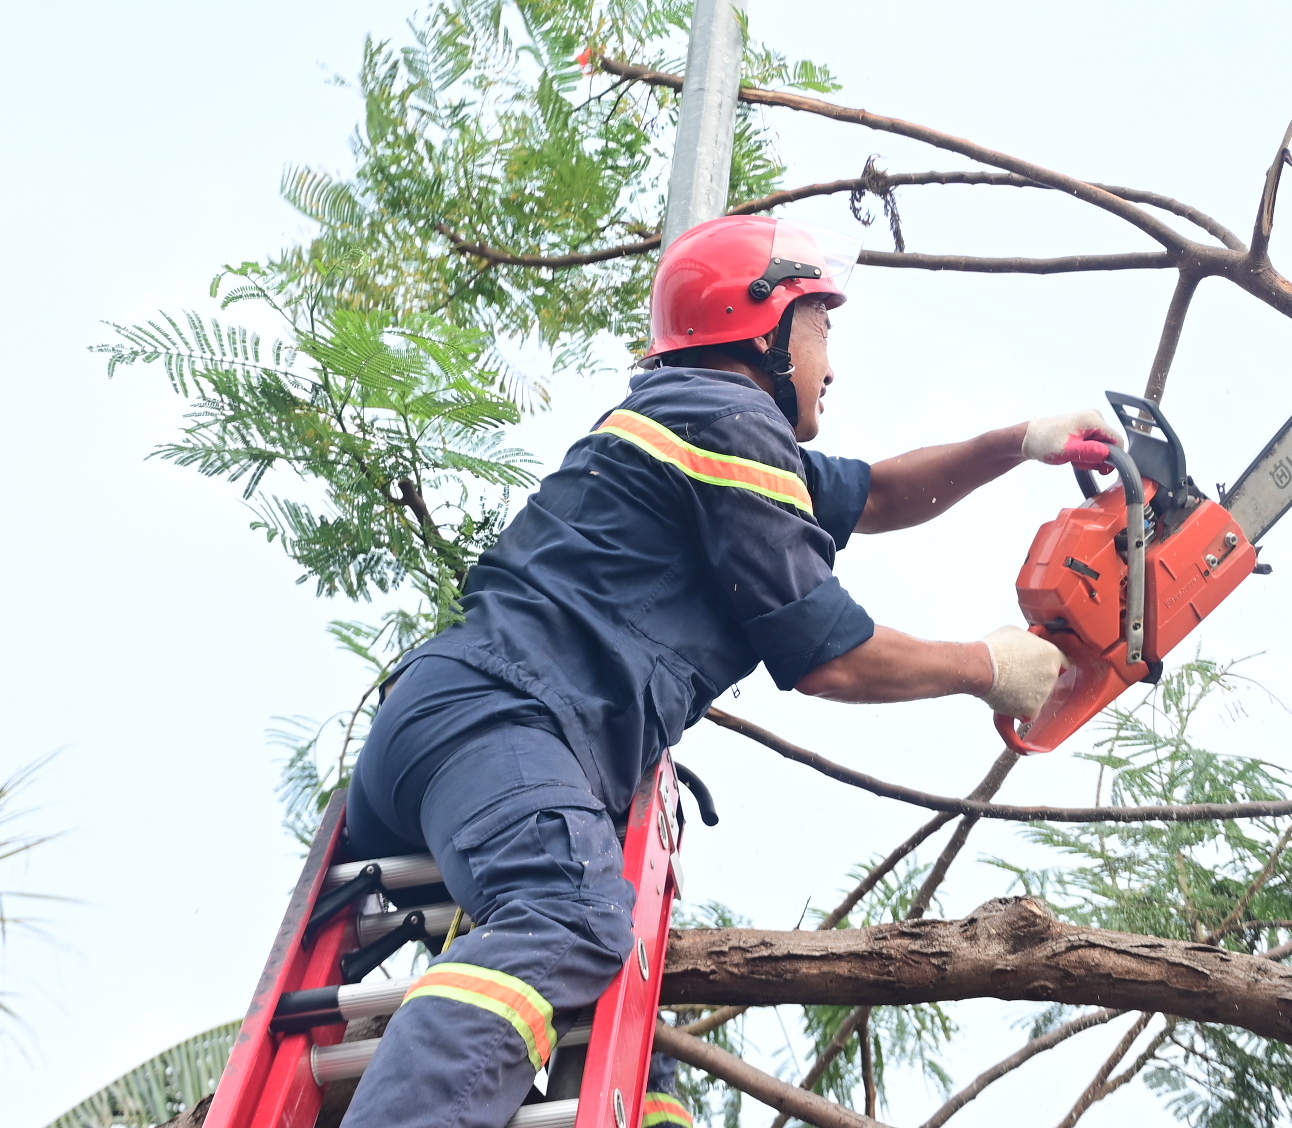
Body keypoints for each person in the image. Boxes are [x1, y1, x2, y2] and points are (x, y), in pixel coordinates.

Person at [340, 215, 1127, 1128]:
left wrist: (1019, 442)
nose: (832, 364)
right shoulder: (727, 422)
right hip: (503, 724)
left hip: (452, 739)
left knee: (623, 1049)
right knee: (569, 917)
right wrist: (989, 668)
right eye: (822, 325)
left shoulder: (700, 425)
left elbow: (875, 493)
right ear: (763, 326)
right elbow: (832, 656)